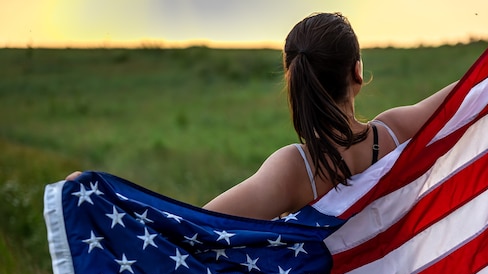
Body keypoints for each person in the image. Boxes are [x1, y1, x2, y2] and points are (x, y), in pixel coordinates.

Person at [67, 12, 456, 220]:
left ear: (294, 80)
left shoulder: (295, 169)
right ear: (357, 71)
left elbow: (197, 226)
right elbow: (477, 91)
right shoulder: (396, 131)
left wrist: (106, 201)